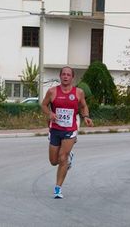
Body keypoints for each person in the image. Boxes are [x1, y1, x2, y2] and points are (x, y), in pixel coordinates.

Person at [41, 66, 93, 199]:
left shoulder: (78, 92)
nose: (65, 76)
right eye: (63, 74)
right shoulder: (52, 91)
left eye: (68, 75)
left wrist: (86, 117)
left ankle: (58, 188)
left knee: (62, 157)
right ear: (60, 76)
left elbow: (83, 106)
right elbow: (43, 105)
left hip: (70, 129)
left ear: (72, 77)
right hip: (55, 129)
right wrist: (50, 113)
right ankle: (68, 158)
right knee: (54, 161)